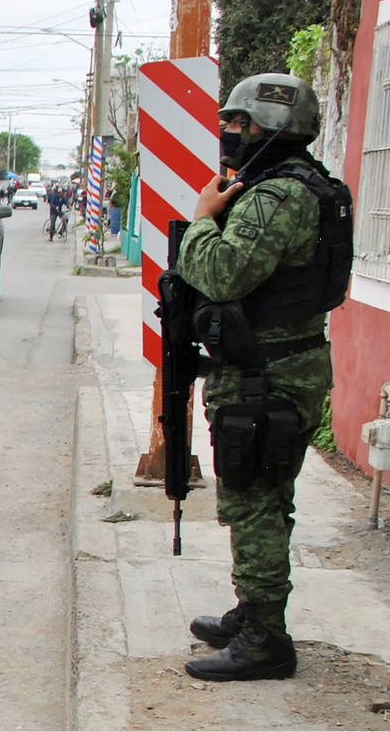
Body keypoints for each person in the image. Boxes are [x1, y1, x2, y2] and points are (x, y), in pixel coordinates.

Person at [177, 73, 352, 682]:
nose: (230, 133)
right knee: (268, 495)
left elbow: (223, 274)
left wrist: (201, 219)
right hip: (285, 364)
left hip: (266, 374)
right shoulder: (310, 186)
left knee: (252, 501)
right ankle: (255, 609)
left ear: (272, 128)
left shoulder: (277, 196)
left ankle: (265, 640)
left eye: (240, 123)